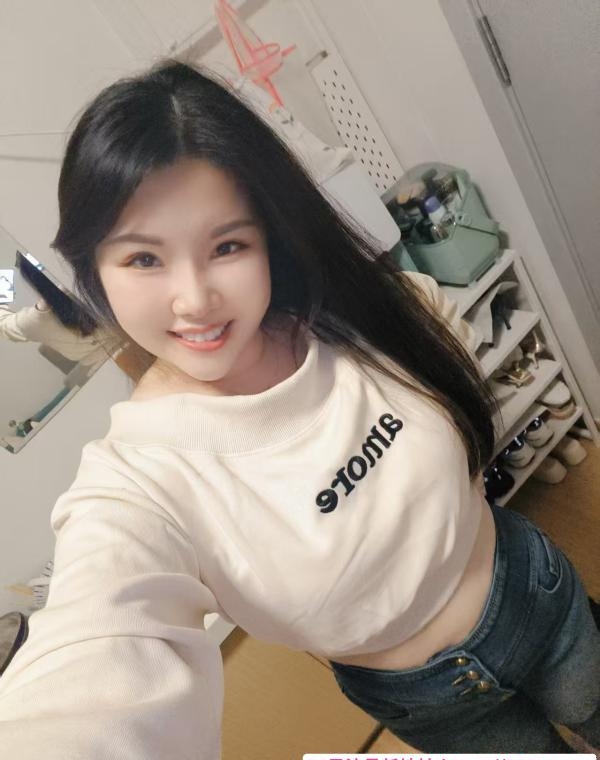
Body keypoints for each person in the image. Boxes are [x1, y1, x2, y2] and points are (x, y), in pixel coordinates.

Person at [0, 59, 598, 757]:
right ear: (93, 268)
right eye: (143, 259)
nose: (194, 300)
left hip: (539, 596)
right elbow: (92, 661)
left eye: (227, 246)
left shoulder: (358, 316)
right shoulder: (136, 483)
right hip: (431, 704)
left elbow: (441, 331)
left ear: (269, 238)